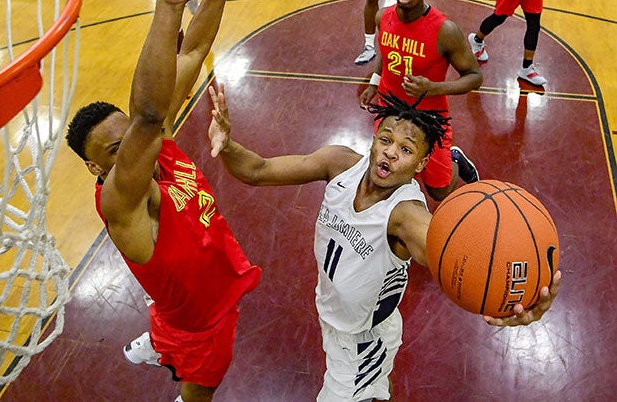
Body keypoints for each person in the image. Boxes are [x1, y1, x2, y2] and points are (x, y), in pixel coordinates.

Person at [207, 84, 562, 402]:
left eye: (406, 149)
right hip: (334, 316)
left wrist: (518, 300)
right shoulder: (339, 164)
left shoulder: (405, 216)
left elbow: (458, 261)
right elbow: (258, 171)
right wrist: (227, 143)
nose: (390, 152)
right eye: (386, 139)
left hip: (363, 340)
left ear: (422, 162)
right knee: (375, 390)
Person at [66, 0, 261, 402]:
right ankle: (166, 352)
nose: (134, 145)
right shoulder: (123, 202)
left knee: (166, 309)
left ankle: (156, 339)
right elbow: (149, 115)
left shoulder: (156, 144)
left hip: (193, 300)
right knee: (200, 392)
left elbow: (194, 48)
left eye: (129, 135)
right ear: (97, 168)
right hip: (203, 328)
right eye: (117, 150)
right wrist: (169, 4)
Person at [359, 0, 482, 202]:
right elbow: (385, 51)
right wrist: (374, 82)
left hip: (429, 118)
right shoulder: (383, 16)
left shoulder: (445, 30)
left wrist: (433, 88)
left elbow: (474, 77)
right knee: (385, 178)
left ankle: (455, 158)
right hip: (390, 111)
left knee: (438, 192)